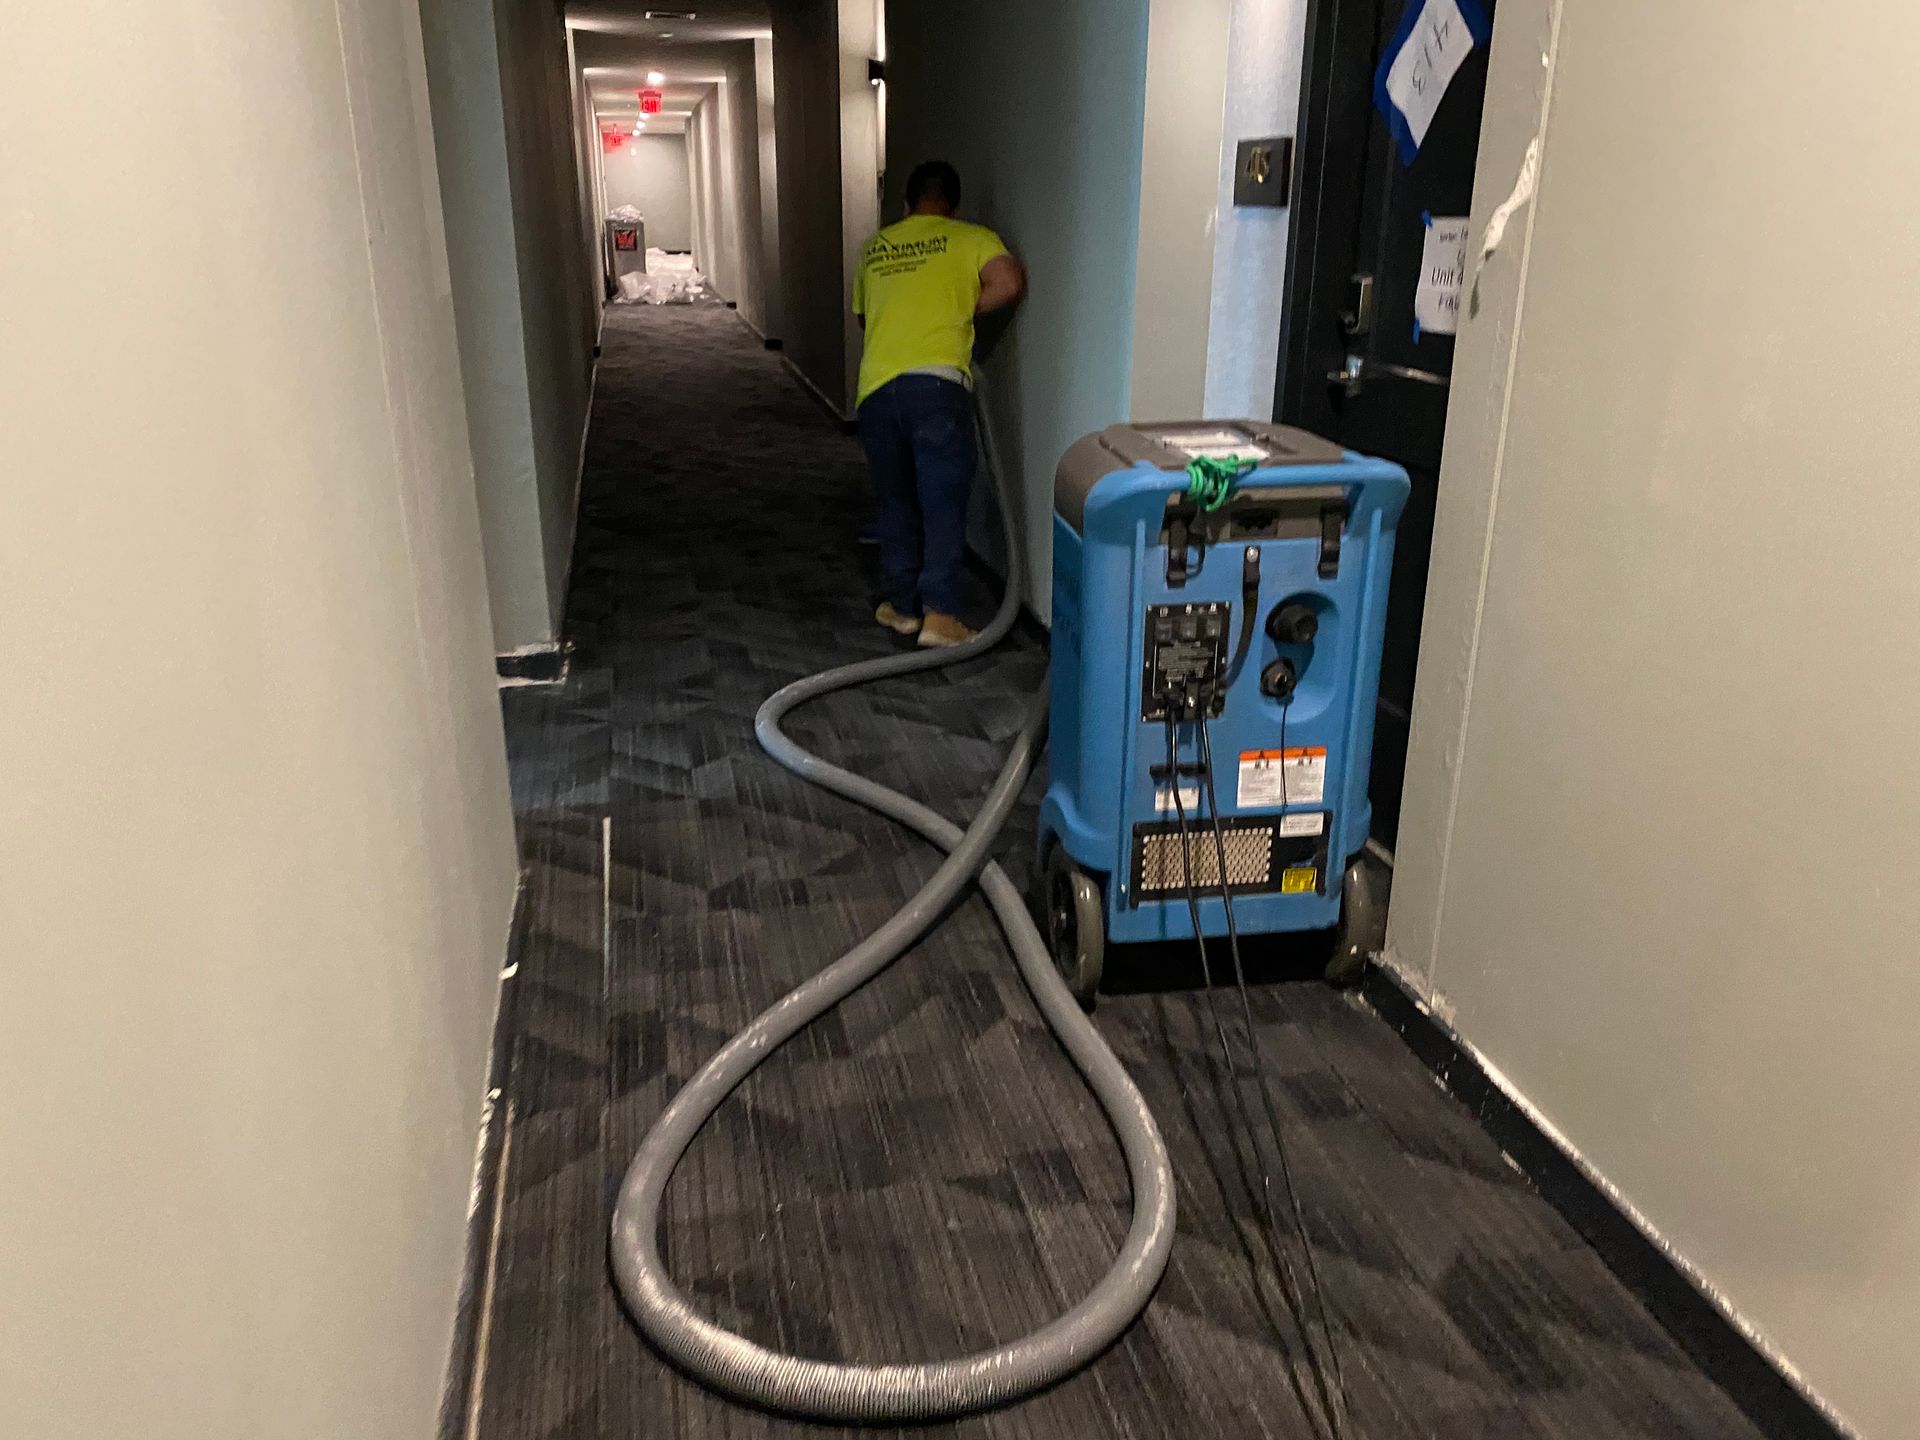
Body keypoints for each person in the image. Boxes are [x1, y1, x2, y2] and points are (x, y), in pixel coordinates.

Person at [852, 160, 1026, 647]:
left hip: (876, 392)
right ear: (952, 206)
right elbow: (1009, 283)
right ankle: (941, 615)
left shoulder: (875, 248)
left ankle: (903, 607)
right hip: (935, 388)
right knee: (942, 502)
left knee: (897, 500)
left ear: (906, 206)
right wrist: (954, 308)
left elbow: (867, 318)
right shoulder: (970, 238)